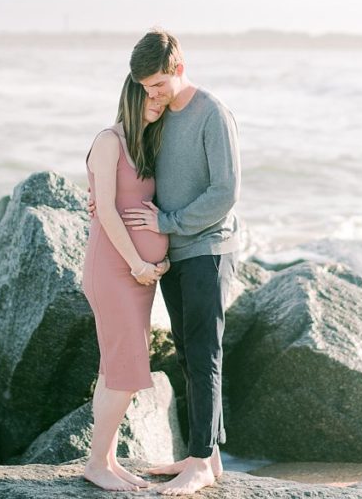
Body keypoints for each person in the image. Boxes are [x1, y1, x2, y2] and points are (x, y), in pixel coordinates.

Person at [91, 28, 241, 496]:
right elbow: (123, 175)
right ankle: (207, 455)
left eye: (157, 85)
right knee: (188, 353)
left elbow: (225, 192)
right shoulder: (157, 118)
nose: (150, 95)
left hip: (207, 251)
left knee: (204, 354)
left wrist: (169, 222)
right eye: (144, 89)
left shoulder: (211, 113)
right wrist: (99, 200)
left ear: (178, 66)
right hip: (175, 258)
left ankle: (199, 462)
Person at [81, 73, 171, 492]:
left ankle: (108, 460)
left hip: (139, 274)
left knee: (112, 369)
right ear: (132, 94)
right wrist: (137, 260)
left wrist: (160, 251)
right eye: (149, 94)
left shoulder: (146, 145)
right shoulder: (108, 141)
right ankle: (96, 464)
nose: (157, 100)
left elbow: (144, 204)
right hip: (114, 269)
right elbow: (106, 213)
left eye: (161, 96)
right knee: (126, 370)